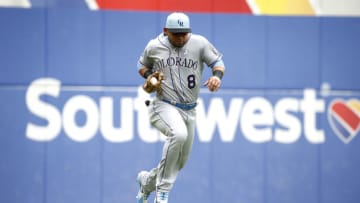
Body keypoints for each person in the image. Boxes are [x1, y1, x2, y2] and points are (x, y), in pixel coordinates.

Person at [136, 12, 225, 203]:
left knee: (179, 162)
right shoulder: (154, 46)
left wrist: (217, 77)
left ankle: (146, 182)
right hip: (163, 105)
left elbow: (218, 62)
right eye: (176, 34)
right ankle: (162, 191)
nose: (181, 37)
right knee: (178, 134)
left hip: (190, 109)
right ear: (166, 31)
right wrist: (149, 75)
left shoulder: (199, 43)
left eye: (184, 33)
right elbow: (141, 65)